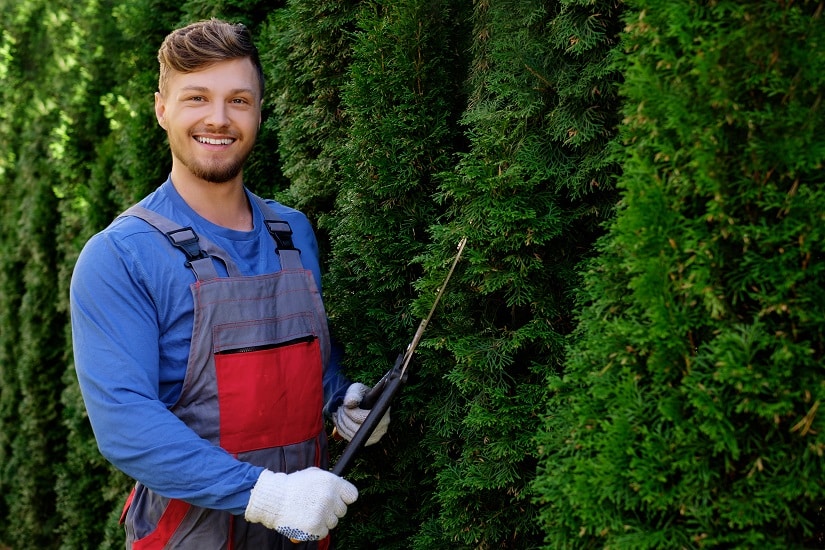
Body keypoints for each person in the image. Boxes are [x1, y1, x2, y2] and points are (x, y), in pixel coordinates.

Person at [70, 18, 389, 549]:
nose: (219, 119)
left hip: (302, 535)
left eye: (239, 100)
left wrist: (342, 404)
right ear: (161, 109)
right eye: (197, 97)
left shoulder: (294, 234)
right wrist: (265, 495)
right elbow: (126, 424)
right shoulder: (120, 256)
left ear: (259, 111)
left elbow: (310, 363)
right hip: (190, 536)